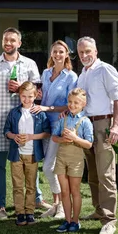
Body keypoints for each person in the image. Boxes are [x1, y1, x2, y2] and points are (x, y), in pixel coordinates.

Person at [0, 27, 41, 220]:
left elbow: (38, 93)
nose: (8, 43)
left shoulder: (29, 64)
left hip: (25, 124)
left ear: (19, 43)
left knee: (30, 163)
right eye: (5, 40)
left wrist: (20, 89)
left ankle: (36, 200)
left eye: (12, 40)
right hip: (0, 123)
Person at [76, 36, 118, 234]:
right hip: (87, 124)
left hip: (103, 124)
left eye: (88, 51)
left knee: (106, 173)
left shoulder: (105, 69)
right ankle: (98, 210)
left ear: (95, 51)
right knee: (93, 173)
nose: (85, 55)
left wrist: (116, 126)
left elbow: (117, 98)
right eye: (81, 53)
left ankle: (109, 220)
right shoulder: (83, 74)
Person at [35, 40, 77, 219]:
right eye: (55, 52)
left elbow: (71, 104)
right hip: (43, 123)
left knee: (48, 167)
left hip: (59, 125)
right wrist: (39, 96)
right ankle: (56, 205)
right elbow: (43, 97)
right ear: (51, 54)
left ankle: (61, 207)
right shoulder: (45, 73)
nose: (58, 55)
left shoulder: (71, 77)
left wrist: (48, 108)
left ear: (66, 54)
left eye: (61, 52)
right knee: (51, 166)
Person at [4, 82, 50, 226]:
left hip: (32, 154)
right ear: (19, 96)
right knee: (17, 185)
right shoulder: (14, 113)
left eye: (30, 96)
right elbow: (6, 131)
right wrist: (14, 136)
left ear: (36, 96)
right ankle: (20, 213)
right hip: (16, 155)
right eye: (23, 96)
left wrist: (31, 137)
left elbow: (47, 133)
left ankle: (29, 212)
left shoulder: (39, 114)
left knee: (31, 185)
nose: (27, 99)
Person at [52, 88, 93, 233]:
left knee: (75, 190)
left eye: (76, 102)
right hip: (61, 158)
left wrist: (75, 138)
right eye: (70, 102)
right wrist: (62, 138)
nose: (72, 105)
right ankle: (67, 220)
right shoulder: (63, 119)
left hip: (76, 160)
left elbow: (89, 144)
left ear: (83, 104)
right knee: (64, 191)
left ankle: (76, 221)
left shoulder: (85, 122)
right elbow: (54, 137)